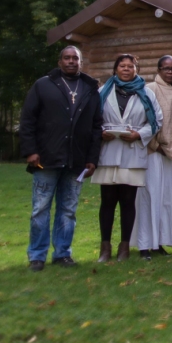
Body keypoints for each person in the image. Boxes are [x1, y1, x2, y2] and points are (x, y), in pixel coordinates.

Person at [19, 46, 103, 271]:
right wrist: (30, 150)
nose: (71, 61)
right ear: (59, 62)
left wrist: (92, 158)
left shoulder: (89, 88)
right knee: (40, 208)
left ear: (81, 62)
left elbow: (97, 126)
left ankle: (63, 253)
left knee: (68, 209)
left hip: (77, 160)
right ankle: (37, 255)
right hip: (46, 157)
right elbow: (28, 119)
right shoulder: (43, 85)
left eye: (75, 58)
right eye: (67, 58)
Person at [91, 54, 164, 263]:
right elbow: (93, 119)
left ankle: (124, 247)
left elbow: (157, 120)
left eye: (130, 66)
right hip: (109, 152)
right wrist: (101, 132)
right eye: (122, 66)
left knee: (128, 201)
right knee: (107, 201)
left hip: (132, 153)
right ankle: (105, 247)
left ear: (136, 70)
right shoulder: (102, 93)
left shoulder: (146, 94)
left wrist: (139, 134)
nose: (126, 69)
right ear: (115, 70)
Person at [134, 55, 172, 261]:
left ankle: (159, 243)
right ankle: (145, 244)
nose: (171, 72)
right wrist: (156, 145)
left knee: (168, 200)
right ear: (159, 70)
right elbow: (143, 119)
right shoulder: (150, 89)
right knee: (149, 198)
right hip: (154, 152)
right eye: (166, 68)